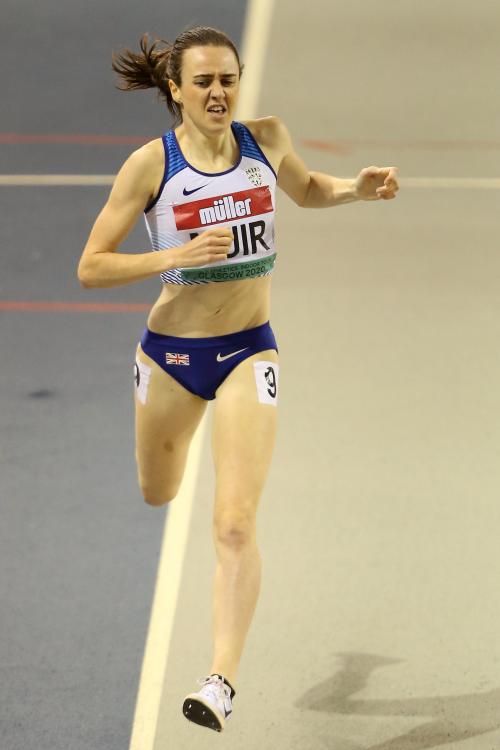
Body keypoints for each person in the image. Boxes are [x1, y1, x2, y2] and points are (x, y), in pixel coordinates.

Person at [77, 25, 399, 733]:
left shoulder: (265, 139)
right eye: (203, 82)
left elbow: (307, 188)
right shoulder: (150, 165)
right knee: (158, 491)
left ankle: (220, 680)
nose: (219, 93)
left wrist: (355, 190)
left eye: (228, 79)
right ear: (175, 89)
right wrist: (173, 256)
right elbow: (91, 266)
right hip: (170, 358)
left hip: (250, 351)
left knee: (232, 523)